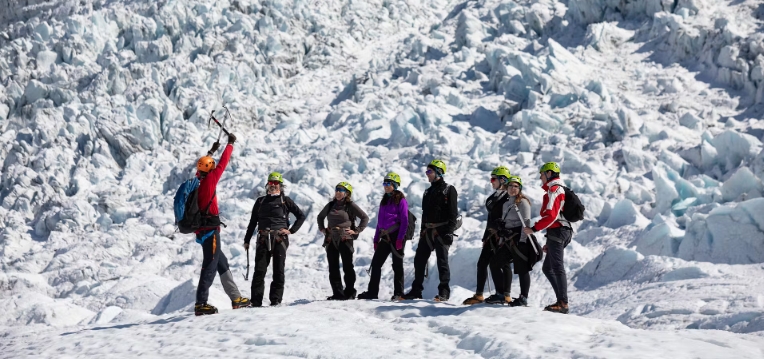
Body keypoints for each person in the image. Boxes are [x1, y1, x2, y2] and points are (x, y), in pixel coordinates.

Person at [193, 134, 252, 316]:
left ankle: (236, 298)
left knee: (221, 263)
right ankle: (201, 303)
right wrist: (230, 144)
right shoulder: (210, 181)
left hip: (202, 231)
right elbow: (222, 164)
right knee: (210, 265)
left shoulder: (197, 181)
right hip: (210, 231)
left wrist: (212, 150)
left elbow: (204, 164)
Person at [243, 172, 306, 307]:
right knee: (259, 271)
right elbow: (253, 221)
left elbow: (301, 216)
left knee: (278, 270)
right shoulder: (260, 201)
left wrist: (291, 230)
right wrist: (247, 240)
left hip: (280, 239)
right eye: (271, 183)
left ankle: (276, 300)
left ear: (280, 186)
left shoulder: (285, 200)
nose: (273, 186)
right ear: (267, 185)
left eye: (275, 184)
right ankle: (256, 301)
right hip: (263, 238)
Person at [404, 160, 458, 302]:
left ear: (439, 172)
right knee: (419, 260)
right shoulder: (427, 191)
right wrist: (422, 230)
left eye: (429, 171)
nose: (427, 174)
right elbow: (425, 213)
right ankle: (416, 290)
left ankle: (444, 292)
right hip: (427, 231)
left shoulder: (449, 189)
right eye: (427, 171)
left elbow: (453, 213)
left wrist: (449, 232)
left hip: (442, 230)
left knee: (442, 261)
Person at [523, 162, 573, 314]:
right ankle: (561, 301)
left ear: (549, 173)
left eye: (542, 174)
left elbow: (551, 216)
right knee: (547, 268)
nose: (540, 177)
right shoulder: (556, 189)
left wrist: (533, 229)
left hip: (558, 232)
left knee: (557, 267)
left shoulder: (554, 190)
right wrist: (548, 242)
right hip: (557, 232)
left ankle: (563, 303)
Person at [463, 166, 512, 305]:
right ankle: (479, 295)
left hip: (502, 235)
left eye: (493, 179)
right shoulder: (494, 197)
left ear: (503, 180)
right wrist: (486, 236)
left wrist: (501, 233)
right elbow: (490, 218)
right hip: (491, 235)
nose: (491, 182)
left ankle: (505, 295)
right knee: (482, 263)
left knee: (505, 264)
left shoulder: (509, 198)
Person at [357, 173, 409, 301]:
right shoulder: (384, 200)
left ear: (395, 185)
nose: (385, 186)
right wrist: (376, 239)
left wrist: (400, 238)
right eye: (384, 183)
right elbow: (379, 222)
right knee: (376, 264)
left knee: (397, 265)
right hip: (385, 237)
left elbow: (405, 220)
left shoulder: (401, 200)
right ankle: (372, 292)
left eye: (388, 184)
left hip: (396, 235)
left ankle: (399, 293)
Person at [317, 182, 369, 300]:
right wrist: (322, 228)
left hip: (345, 238)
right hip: (331, 238)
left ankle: (350, 292)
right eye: (337, 190)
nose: (338, 192)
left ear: (347, 193)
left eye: (341, 190)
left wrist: (357, 230)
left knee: (347, 266)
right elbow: (320, 216)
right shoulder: (331, 205)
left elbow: (365, 217)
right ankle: (338, 293)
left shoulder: (350, 205)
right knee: (333, 267)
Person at [486, 175, 532, 306]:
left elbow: (526, 223)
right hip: (507, 239)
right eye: (510, 186)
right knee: (494, 263)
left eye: (516, 186)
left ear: (520, 188)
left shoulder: (523, 202)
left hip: (519, 239)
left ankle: (523, 298)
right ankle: (500, 294)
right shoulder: (506, 203)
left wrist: (523, 241)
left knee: (522, 268)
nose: (513, 188)